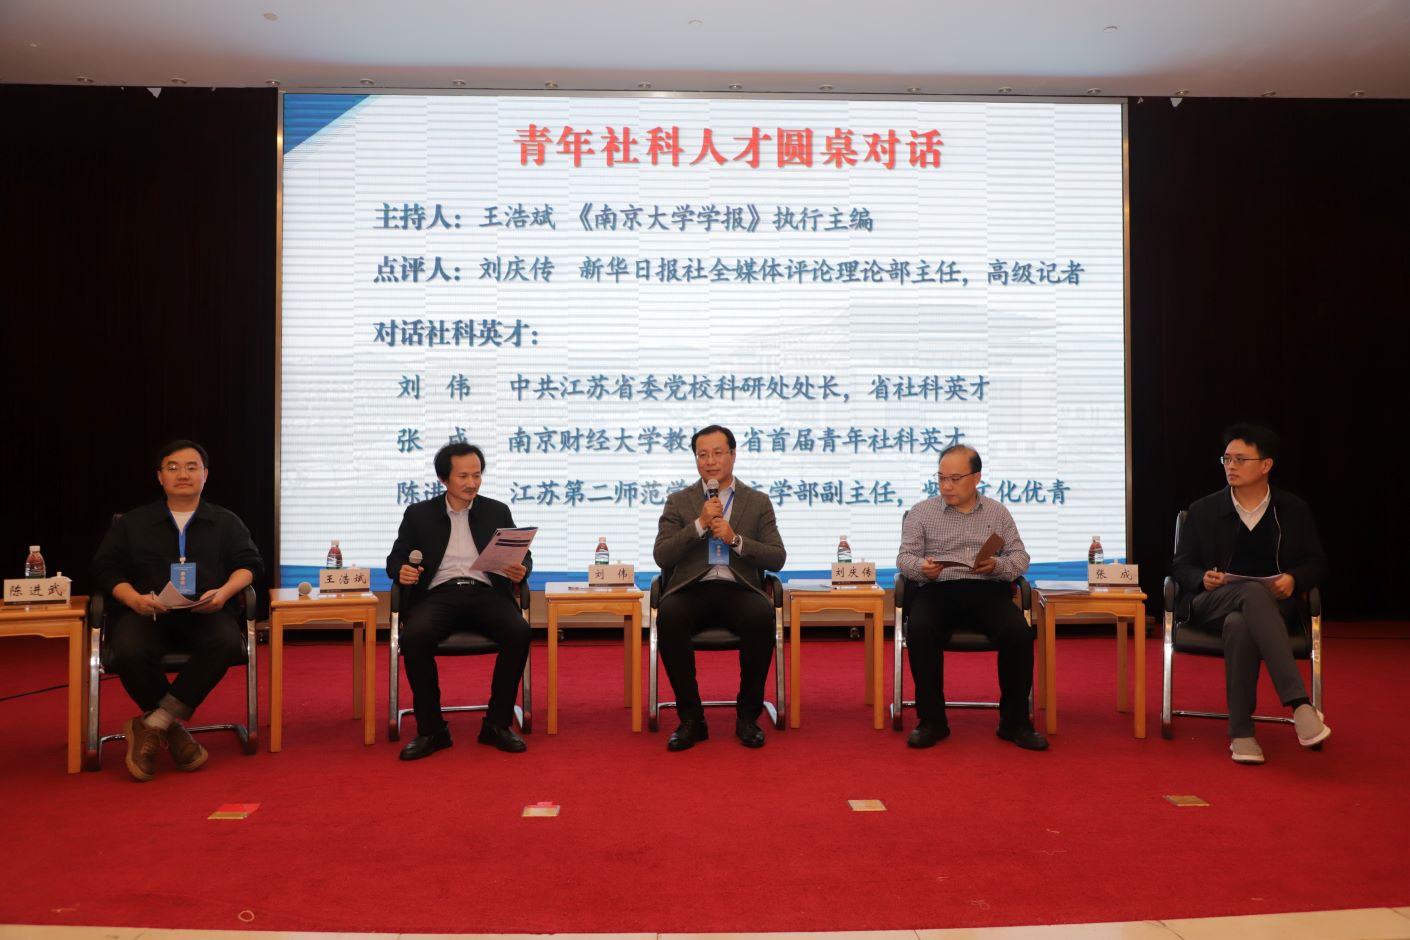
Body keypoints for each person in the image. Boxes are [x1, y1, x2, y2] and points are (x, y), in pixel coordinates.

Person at [90, 440, 263, 782]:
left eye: (191, 467)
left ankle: (153, 723)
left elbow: (250, 564)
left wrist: (224, 592)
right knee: (128, 649)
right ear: (160, 476)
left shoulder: (226, 521)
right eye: (173, 468)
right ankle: (172, 730)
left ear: (205, 474)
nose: (182, 474)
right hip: (146, 612)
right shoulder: (133, 522)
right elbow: (104, 569)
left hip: (205, 611)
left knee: (228, 642)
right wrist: (132, 598)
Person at [1171, 424, 1328, 764]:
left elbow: (1316, 562)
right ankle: (1299, 704)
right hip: (1212, 602)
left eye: (1241, 459)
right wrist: (1201, 578)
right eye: (1226, 459)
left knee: (1241, 623)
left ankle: (1241, 733)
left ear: (1266, 465)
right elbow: (1181, 566)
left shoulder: (1293, 510)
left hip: (1273, 607)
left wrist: (1294, 578)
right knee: (1251, 594)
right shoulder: (1203, 510)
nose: (1231, 466)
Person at [386, 441, 531, 761]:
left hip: (485, 592)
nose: (472, 483)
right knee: (415, 636)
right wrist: (402, 571)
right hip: (438, 595)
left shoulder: (496, 510)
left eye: (477, 475)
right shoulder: (419, 514)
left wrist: (520, 569)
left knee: (518, 631)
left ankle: (497, 724)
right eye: (463, 476)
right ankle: (432, 730)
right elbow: (395, 560)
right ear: (444, 479)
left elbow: (523, 555)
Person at [896, 444, 1047, 751]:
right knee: (920, 629)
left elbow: (1020, 557)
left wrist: (998, 565)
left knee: (1018, 633)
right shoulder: (921, 512)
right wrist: (922, 567)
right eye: (941, 478)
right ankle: (932, 721)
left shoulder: (997, 512)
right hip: (937, 590)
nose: (946, 486)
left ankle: (1015, 723)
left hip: (987, 591)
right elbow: (904, 558)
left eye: (955, 478)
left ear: (976, 477)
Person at [652, 425, 787, 750]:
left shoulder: (757, 502)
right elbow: (662, 555)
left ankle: (747, 716)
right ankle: (691, 719)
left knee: (760, 616)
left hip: (739, 588)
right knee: (669, 614)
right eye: (702, 455)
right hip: (692, 589)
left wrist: (735, 539)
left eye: (717, 453)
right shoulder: (679, 501)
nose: (710, 461)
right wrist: (699, 525)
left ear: (733, 455)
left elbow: (777, 557)